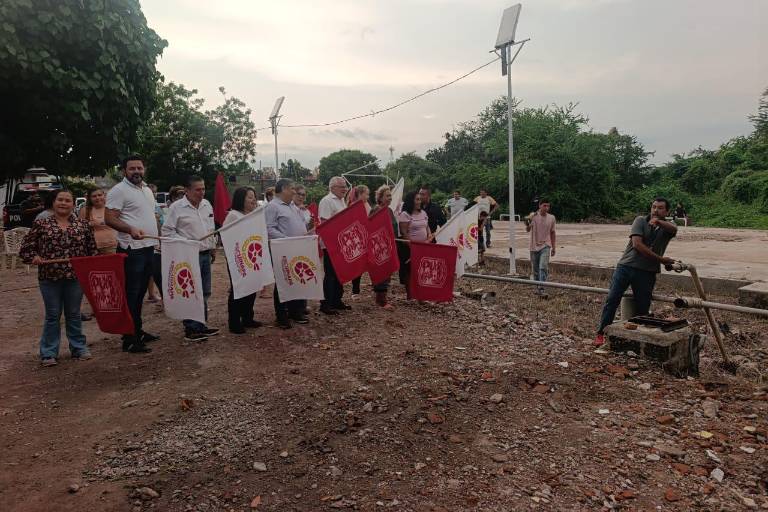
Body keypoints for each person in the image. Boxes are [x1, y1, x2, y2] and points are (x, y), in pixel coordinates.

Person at [19, 189, 98, 366]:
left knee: (74, 313)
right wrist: (34, 257)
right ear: (53, 203)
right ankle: (48, 353)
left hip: (75, 277)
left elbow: (92, 250)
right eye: (60, 200)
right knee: (53, 315)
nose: (63, 203)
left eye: (67, 200)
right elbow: (26, 248)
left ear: (73, 204)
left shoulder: (82, 225)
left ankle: (78, 348)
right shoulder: (42, 224)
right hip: (49, 276)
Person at [594, 198, 677, 346]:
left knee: (643, 307)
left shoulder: (667, 227)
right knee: (612, 300)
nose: (655, 210)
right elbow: (637, 245)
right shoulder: (640, 220)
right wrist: (661, 259)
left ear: (667, 211)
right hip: (626, 266)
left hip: (647, 272)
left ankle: (637, 340)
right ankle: (601, 333)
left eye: (660, 208)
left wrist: (658, 222)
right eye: (653, 207)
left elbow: (674, 229)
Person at [105, 155, 160, 353]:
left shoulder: (146, 189)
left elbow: (149, 216)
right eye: (132, 168)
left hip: (148, 248)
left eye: (139, 168)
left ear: (144, 169)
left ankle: (138, 330)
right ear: (124, 171)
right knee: (132, 294)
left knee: (141, 293)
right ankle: (129, 338)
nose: (136, 171)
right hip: (131, 250)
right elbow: (109, 218)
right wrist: (130, 230)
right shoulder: (119, 191)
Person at [162, 175, 220, 342]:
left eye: (203, 189)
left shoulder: (207, 204)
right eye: (197, 190)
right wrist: (186, 243)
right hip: (187, 256)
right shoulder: (176, 208)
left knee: (205, 291)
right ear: (187, 190)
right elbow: (167, 232)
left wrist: (213, 247)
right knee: (190, 291)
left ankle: (201, 324)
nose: (201, 193)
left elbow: (210, 227)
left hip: (205, 254)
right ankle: (191, 328)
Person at [265, 178, 311, 329]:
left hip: (297, 249)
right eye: (292, 189)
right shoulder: (273, 207)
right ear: (284, 189)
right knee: (283, 283)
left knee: (296, 279)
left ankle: (295, 312)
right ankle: (281, 316)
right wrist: (287, 240)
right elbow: (269, 229)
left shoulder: (292, 205)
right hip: (282, 250)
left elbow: (300, 223)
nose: (294, 191)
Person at [224, 187, 263, 334]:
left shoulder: (254, 215)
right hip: (238, 258)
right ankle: (234, 322)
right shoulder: (233, 215)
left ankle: (248, 318)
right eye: (249, 197)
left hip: (252, 257)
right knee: (238, 289)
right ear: (241, 199)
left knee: (252, 287)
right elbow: (227, 237)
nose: (253, 200)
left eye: (254, 197)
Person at [318, 176, 349, 314]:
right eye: (342, 186)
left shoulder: (342, 201)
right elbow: (325, 224)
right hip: (330, 244)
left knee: (339, 273)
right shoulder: (327, 201)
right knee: (330, 274)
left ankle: (337, 300)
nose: (345, 189)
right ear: (333, 188)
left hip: (341, 243)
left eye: (345, 186)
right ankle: (326, 304)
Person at [398, 191, 432, 298]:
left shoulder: (423, 213)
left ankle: (421, 293)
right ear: (410, 201)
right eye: (417, 199)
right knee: (410, 271)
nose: (419, 201)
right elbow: (404, 233)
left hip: (424, 246)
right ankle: (410, 294)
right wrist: (413, 248)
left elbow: (427, 227)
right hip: (410, 248)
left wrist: (429, 237)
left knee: (422, 270)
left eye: (420, 199)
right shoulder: (405, 214)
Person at [370, 185, 399, 310]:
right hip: (379, 246)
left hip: (389, 246)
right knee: (380, 271)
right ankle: (381, 299)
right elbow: (370, 227)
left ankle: (382, 296)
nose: (390, 198)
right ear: (380, 198)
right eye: (387, 196)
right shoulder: (375, 210)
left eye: (390, 196)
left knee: (387, 270)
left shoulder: (390, 211)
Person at [524, 198, 556, 298]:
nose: (546, 208)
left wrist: (554, 247)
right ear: (539, 206)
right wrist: (527, 221)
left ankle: (542, 288)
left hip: (546, 245)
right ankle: (537, 287)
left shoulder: (551, 218)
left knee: (543, 267)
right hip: (534, 246)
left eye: (548, 206)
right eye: (544, 206)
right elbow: (527, 229)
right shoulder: (533, 216)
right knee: (536, 269)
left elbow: (553, 232)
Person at [79, 188, 117, 254]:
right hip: (92, 247)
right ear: (89, 198)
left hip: (112, 245)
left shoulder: (111, 208)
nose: (97, 198)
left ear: (104, 195)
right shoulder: (85, 210)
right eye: (94, 196)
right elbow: (79, 227)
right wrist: (91, 224)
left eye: (99, 195)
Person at [349, 185, 371, 297]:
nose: (368, 196)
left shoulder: (367, 205)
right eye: (366, 193)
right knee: (357, 265)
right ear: (360, 194)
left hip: (367, 238)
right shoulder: (353, 206)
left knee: (364, 264)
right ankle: (355, 290)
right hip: (357, 239)